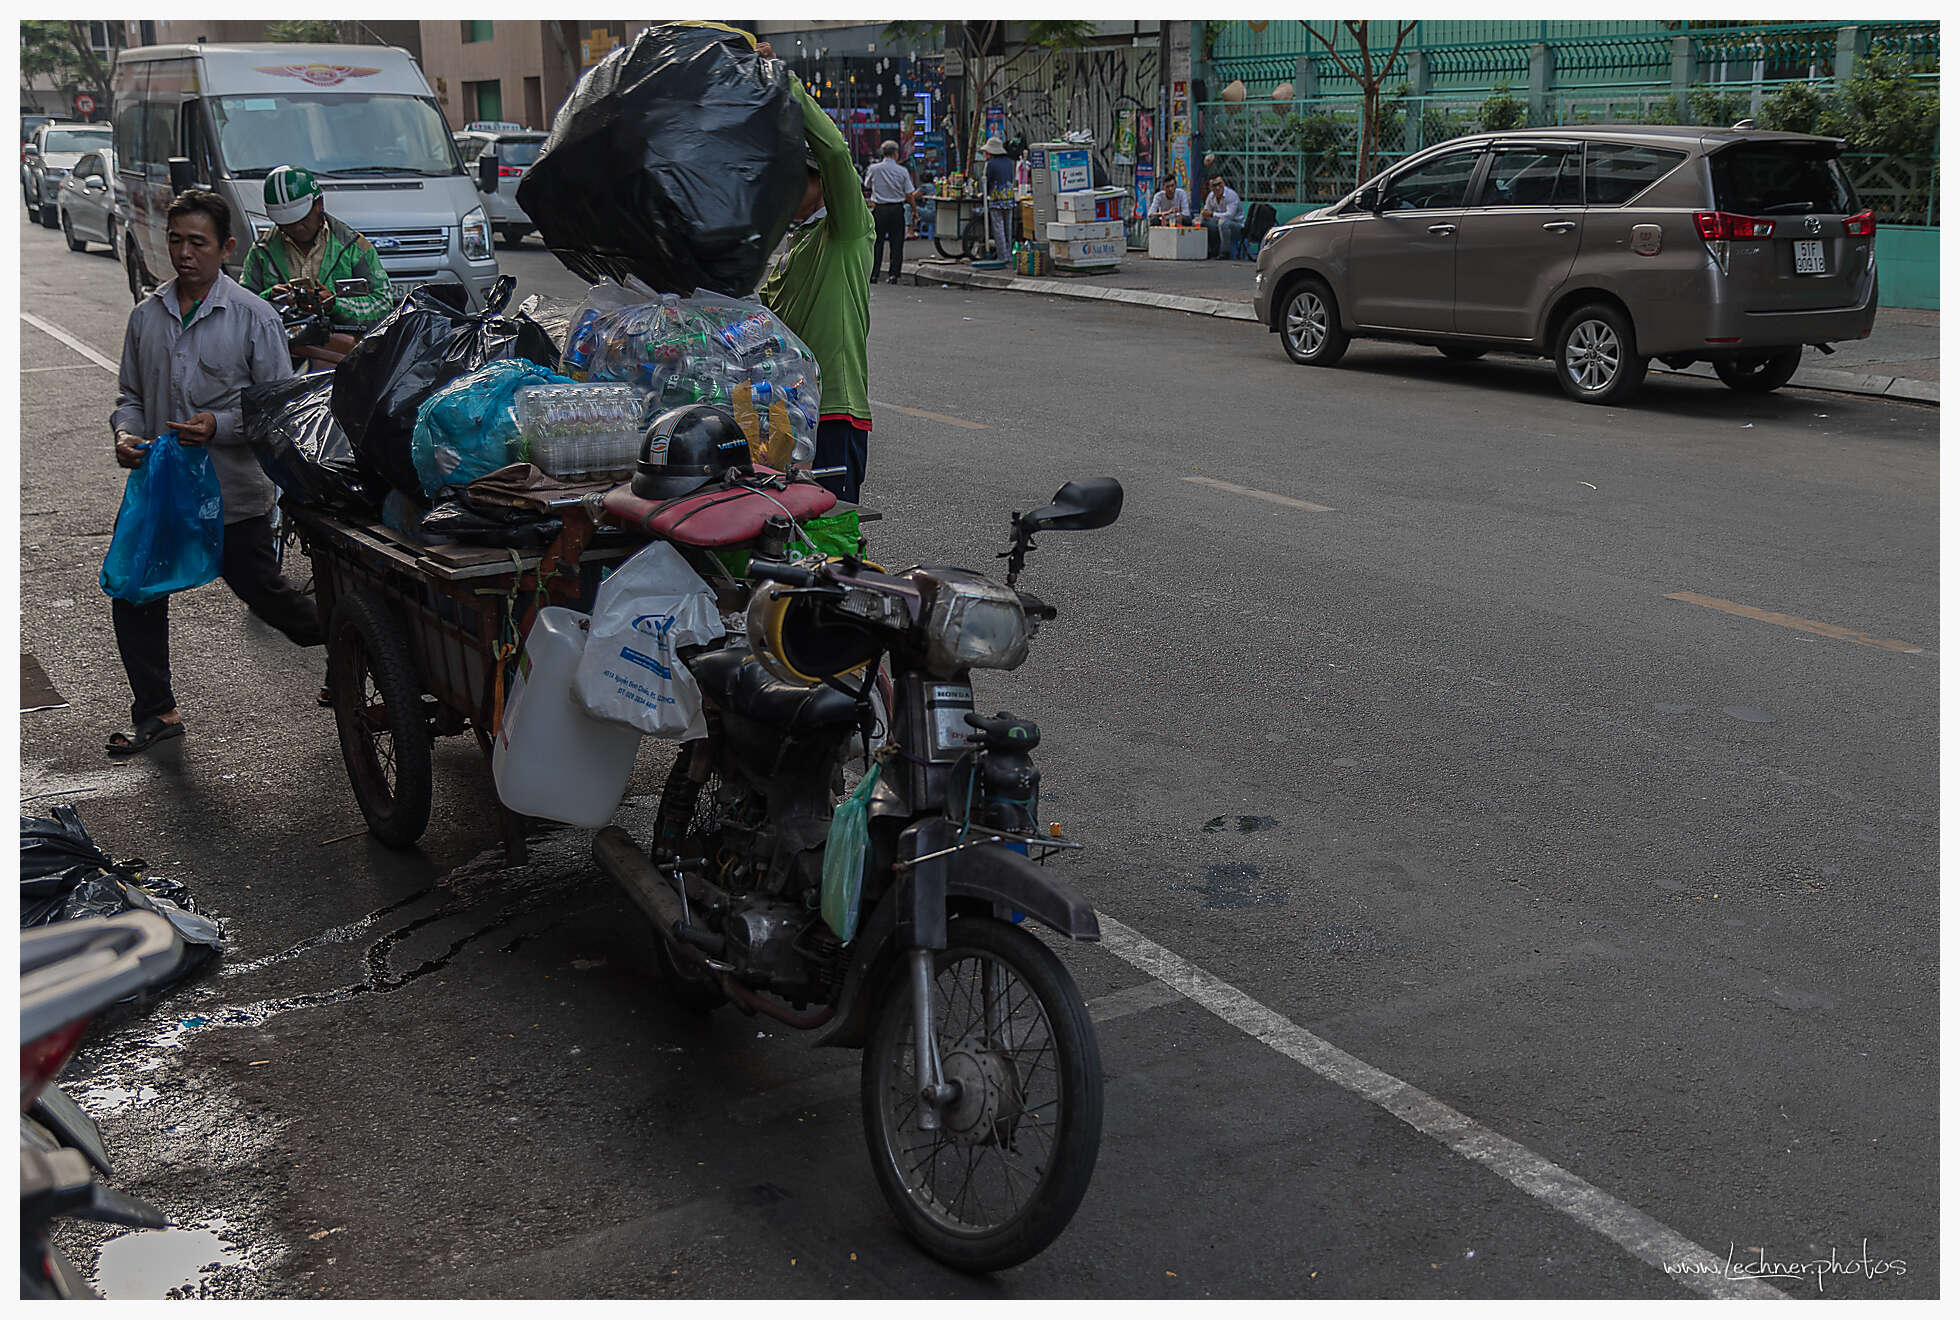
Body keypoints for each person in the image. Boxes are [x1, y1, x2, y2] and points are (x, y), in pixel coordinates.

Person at [105, 189, 323, 756]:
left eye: (197, 242)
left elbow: (279, 407)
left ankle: (356, 642)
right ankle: (157, 711)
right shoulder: (146, 315)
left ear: (225, 247)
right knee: (134, 595)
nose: (183, 253)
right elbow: (129, 394)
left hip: (233, 496)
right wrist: (126, 434)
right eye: (175, 240)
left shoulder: (253, 316)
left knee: (269, 598)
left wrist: (219, 426)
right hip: (163, 494)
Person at [757, 67, 875, 505]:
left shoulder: (846, 232)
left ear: (821, 183)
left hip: (833, 412)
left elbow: (837, 154)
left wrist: (790, 87)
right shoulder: (795, 243)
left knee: (827, 533)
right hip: (786, 413)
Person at [239, 165, 393, 365]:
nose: (295, 227)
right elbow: (241, 308)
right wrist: (269, 298)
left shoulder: (354, 247)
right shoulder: (262, 251)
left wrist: (336, 305)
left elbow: (383, 303)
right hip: (279, 355)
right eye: (285, 223)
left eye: (302, 219)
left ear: (319, 204)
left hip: (342, 358)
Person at [862, 139, 918, 286]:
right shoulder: (902, 170)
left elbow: (867, 185)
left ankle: (874, 274)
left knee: (877, 243)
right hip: (896, 209)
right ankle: (893, 275)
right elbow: (909, 194)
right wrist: (915, 211)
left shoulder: (874, 169)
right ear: (895, 153)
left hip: (879, 209)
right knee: (897, 243)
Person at [982, 136, 1015, 261]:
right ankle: (1010, 255)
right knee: (1008, 228)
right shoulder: (1009, 162)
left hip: (996, 199)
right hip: (1009, 197)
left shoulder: (990, 164)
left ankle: (1002, 256)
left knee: (998, 228)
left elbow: (988, 181)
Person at [1199, 175, 1244, 259]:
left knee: (1223, 223)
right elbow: (1206, 211)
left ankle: (1224, 253)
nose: (1217, 188)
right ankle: (1209, 251)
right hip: (1218, 224)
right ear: (1210, 187)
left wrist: (1212, 214)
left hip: (1236, 225)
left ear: (1224, 184)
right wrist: (1204, 214)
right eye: (1214, 186)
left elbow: (1229, 216)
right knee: (1202, 221)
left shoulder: (1231, 195)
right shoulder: (1211, 196)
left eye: (1219, 184)